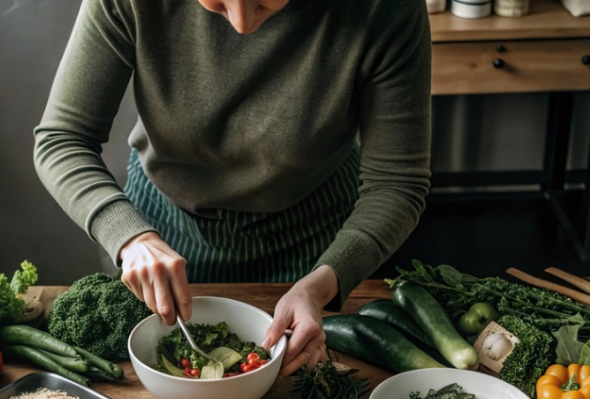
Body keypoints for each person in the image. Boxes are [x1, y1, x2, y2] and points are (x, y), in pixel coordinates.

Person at [34, 0, 432, 377]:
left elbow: (396, 184)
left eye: (264, 0)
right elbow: (62, 139)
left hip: (318, 241)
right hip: (162, 227)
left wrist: (321, 285)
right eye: (218, 1)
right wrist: (129, 237)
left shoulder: (384, 7)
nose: (241, 23)